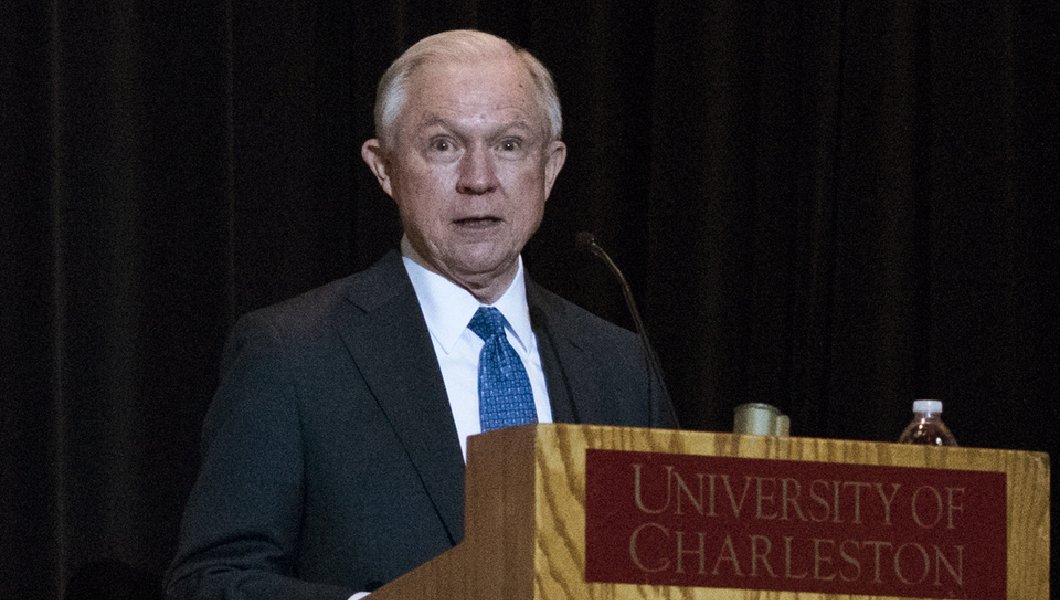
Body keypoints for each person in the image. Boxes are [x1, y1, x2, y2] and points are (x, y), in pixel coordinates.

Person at [164, 29, 677, 600]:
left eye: (509, 145)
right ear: (384, 168)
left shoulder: (620, 365)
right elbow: (209, 582)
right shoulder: (292, 355)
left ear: (550, 168)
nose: (478, 179)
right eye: (443, 145)